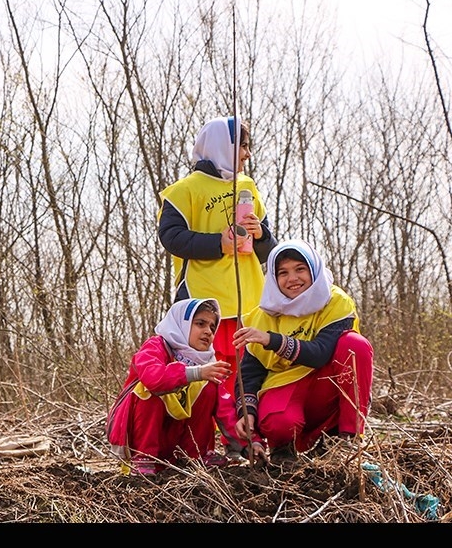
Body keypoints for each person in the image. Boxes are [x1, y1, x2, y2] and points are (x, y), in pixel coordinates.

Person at [158, 116, 277, 392]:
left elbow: (268, 250)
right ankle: (202, 429)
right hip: (203, 298)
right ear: (222, 145)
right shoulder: (183, 190)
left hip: (248, 299)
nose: (248, 154)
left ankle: (241, 428)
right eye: (243, 146)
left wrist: (260, 234)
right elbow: (171, 238)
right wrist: (217, 244)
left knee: (248, 370)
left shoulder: (248, 187)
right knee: (206, 370)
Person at [232, 239, 374, 461]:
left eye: (300, 269)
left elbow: (320, 354)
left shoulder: (335, 301)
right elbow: (249, 373)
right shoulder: (260, 317)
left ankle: (347, 437)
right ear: (273, 278)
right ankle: (282, 449)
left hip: (325, 383)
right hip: (284, 384)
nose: (292, 279)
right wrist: (246, 412)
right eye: (283, 273)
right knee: (279, 423)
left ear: (313, 269)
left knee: (355, 345)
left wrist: (272, 340)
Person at [106, 298, 265, 475]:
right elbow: (153, 379)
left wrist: (251, 443)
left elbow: (226, 411)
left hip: (176, 446)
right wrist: (195, 373)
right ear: (182, 323)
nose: (208, 332)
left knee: (209, 387)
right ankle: (144, 458)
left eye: (212, 327)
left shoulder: (206, 362)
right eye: (200, 324)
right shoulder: (156, 346)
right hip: (143, 437)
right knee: (147, 391)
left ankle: (194, 457)